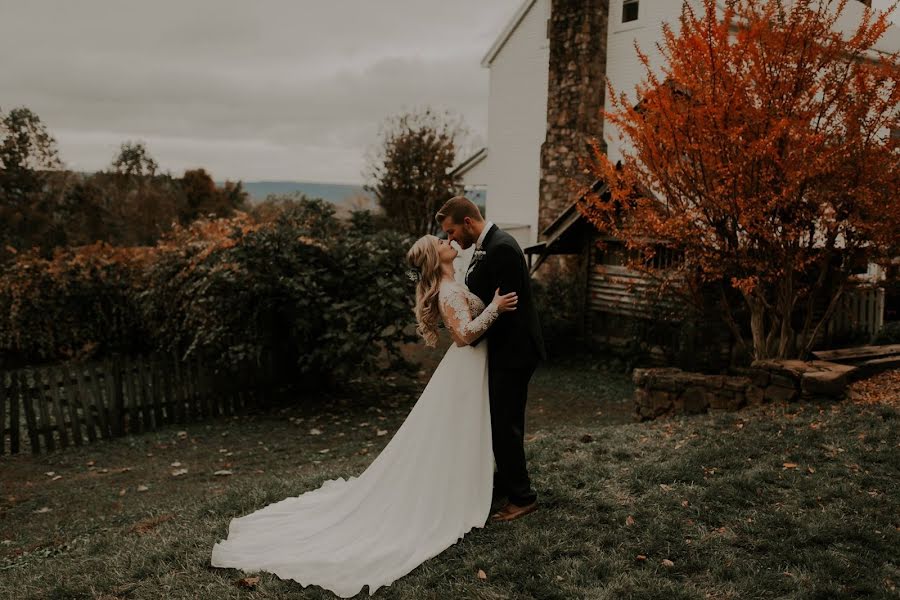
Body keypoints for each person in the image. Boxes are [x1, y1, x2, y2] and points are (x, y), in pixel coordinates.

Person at [211, 234, 517, 598]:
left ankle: (468, 482)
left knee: (456, 434)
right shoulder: (448, 291)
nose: (446, 239)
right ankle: (455, 491)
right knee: (453, 433)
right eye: (439, 240)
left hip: (470, 370)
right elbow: (463, 336)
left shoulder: (454, 281)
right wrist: (495, 307)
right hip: (466, 366)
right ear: (436, 257)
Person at [436, 196, 546, 522]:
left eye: (452, 230)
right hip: (501, 351)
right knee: (499, 423)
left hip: (513, 352)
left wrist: (469, 334)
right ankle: (505, 483)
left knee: (505, 425)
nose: (452, 238)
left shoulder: (502, 248)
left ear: (467, 222)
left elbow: (507, 310)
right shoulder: (484, 247)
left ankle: (522, 497)